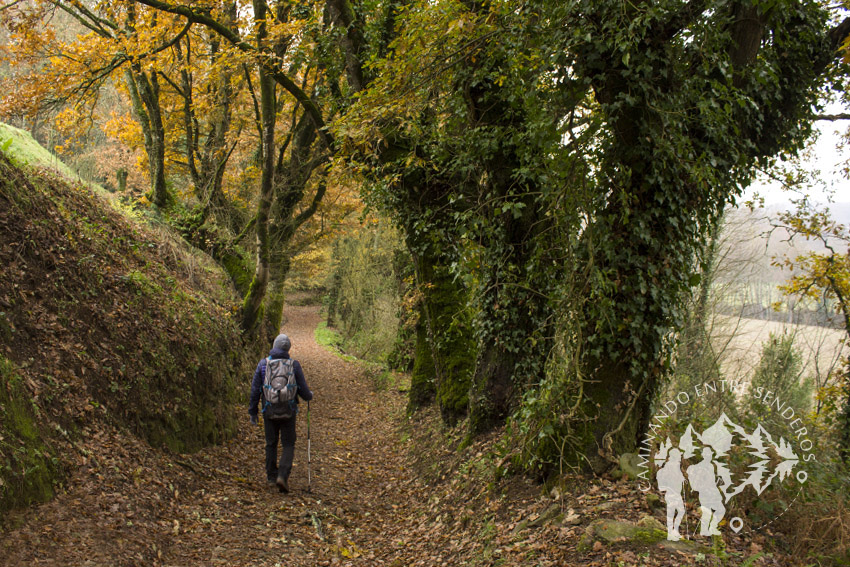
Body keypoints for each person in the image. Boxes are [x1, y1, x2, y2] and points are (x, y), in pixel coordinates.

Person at [249, 333, 313, 493]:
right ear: (288, 349)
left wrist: (253, 411)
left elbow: (255, 390)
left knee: (271, 443)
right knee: (288, 443)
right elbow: (303, 391)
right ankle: (283, 476)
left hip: (268, 409)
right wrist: (309, 395)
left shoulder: (264, 364)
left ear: (274, 346)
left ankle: (271, 476)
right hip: (288, 410)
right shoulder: (294, 365)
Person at [656, 447, 686, 541]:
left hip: (676, 492)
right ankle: (670, 532)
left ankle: (675, 530)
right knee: (671, 512)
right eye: (679, 455)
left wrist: (683, 479)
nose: (680, 457)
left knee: (681, 511)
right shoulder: (670, 465)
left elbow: (679, 476)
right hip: (671, 493)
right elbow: (670, 477)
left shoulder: (676, 465)